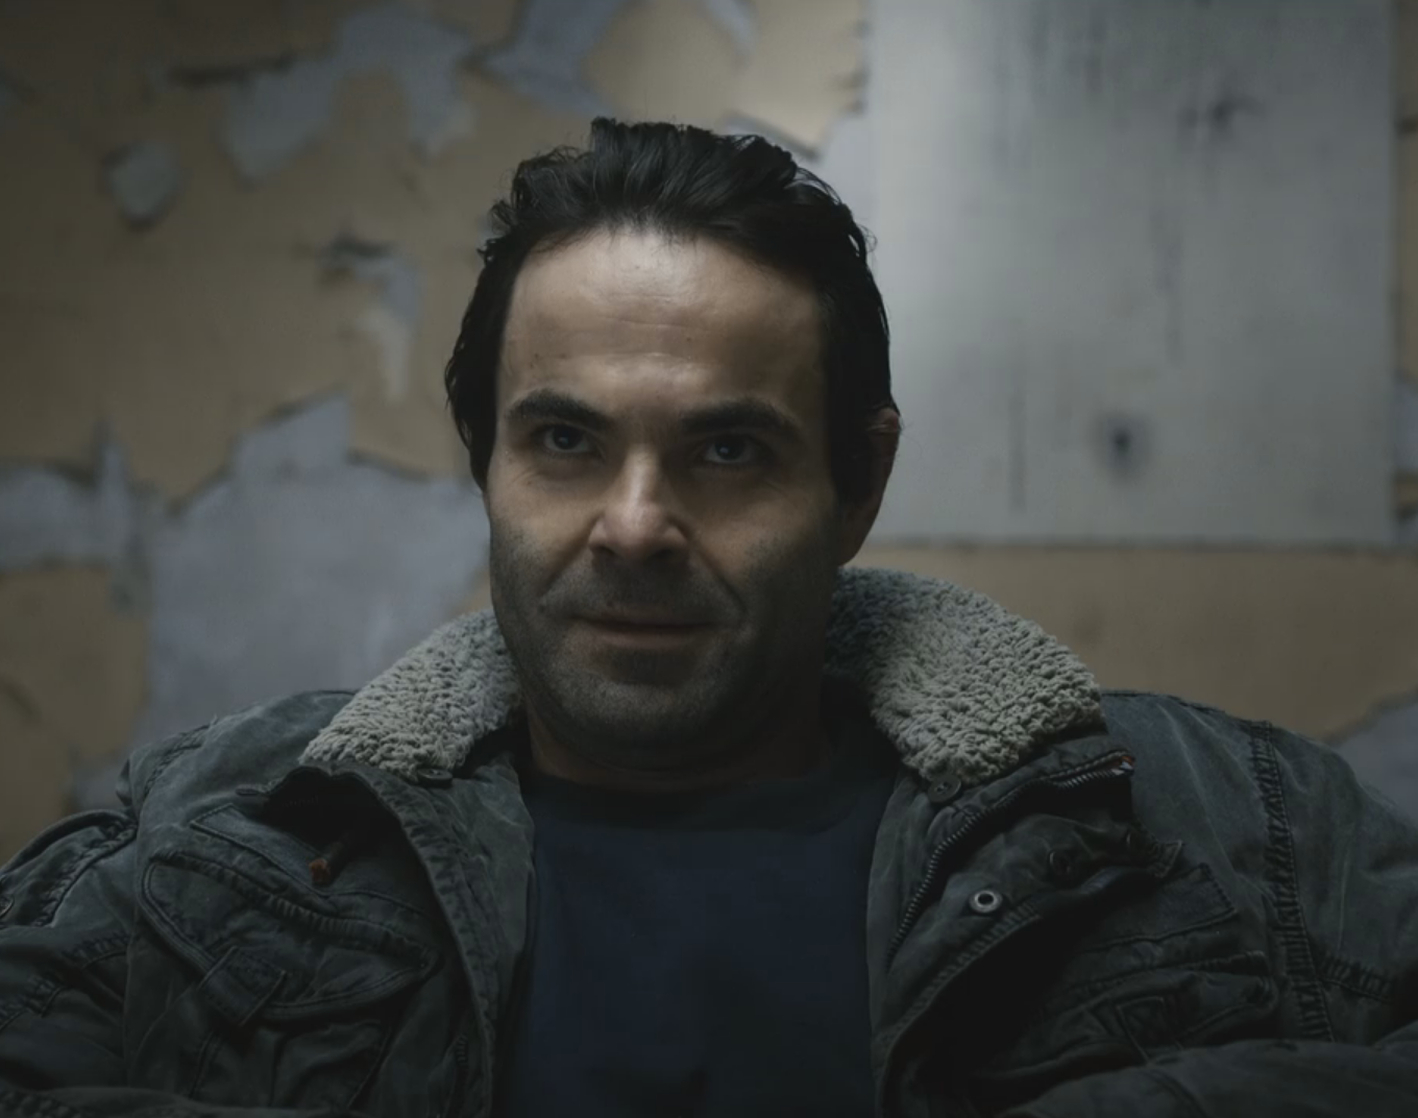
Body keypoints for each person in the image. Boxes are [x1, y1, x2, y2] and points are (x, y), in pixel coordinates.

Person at [1, 118, 1416, 1118]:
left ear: (857, 485)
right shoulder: (235, 831)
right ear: (482, 461)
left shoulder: (1224, 826)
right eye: (564, 440)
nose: (633, 525)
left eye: (727, 450)